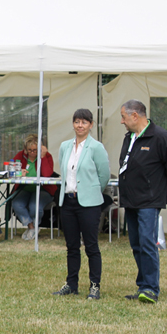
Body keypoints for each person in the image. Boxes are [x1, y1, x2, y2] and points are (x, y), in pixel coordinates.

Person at [119, 99, 167, 304]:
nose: (122, 121)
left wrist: (164, 191)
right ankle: (143, 285)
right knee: (137, 244)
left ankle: (150, 288)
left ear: (135, 116)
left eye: (123, 117)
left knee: (147, 242)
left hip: (149, 200)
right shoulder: (129, 137)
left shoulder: (160, 137)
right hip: (130, 199)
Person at [53, 109, 110, 300]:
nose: (80, 125)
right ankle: (71, 284)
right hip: (68, 202)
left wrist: (91, 191)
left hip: (89, 203)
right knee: (71, 246)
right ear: (73, 124)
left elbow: (104, 176)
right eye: (77, 121)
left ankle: (94, 285)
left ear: (91, 125)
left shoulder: (96, 147)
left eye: (84, 122)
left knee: (91, 246)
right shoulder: (64, 146)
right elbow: (63, 169)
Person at [10, 134, 57, 240]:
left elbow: (47, 174)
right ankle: (32, 227)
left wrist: (43, 157)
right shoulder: (20, 156)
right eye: (29, 150)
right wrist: (19, 172)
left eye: (35, 150)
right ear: (25, 149)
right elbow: (12, 170)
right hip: (25, 188)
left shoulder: (47, 156)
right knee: (17, 204)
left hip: (44, 189)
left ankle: (34, 227)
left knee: (34, 206)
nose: (32, 152)